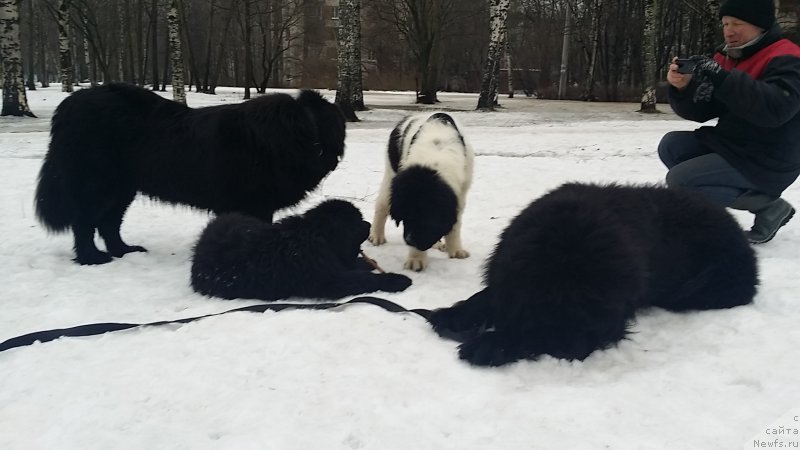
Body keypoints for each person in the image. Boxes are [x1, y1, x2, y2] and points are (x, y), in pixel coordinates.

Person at [658, 0, 800, 243]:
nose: (729, 31)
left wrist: (722, 77)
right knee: (672, 145)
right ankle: (768, 206)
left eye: (737, 23)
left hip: (771, 156)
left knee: (682, 180)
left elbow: (776, 109)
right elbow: (702, 111)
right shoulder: (727, 56)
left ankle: (712, 228)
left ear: (760, 26)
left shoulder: (787, 56)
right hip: (733, 144)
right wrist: (684, 88)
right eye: (725, 23)